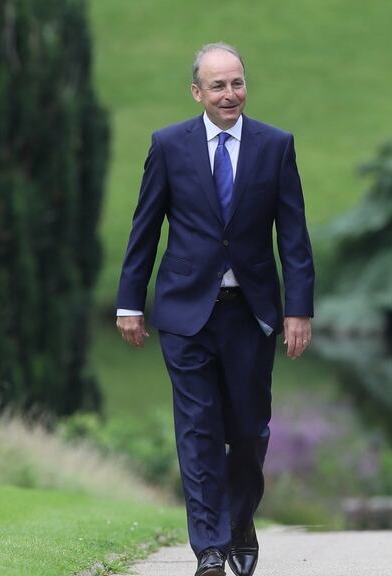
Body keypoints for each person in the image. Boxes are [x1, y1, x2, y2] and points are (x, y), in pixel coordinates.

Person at [116, 42, 315, 576]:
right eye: (218, 85)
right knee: (198, 429)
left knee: (249, 430)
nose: (230, 94)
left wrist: (299, 309)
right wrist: (130, 302)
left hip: (251, 312)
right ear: (197, 92)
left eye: (237, 83)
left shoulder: (275, 146)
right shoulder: (168, 146)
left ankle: (240, 521)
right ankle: (208, 547)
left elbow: (293, 236)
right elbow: (145, 228)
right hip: (186, 313)